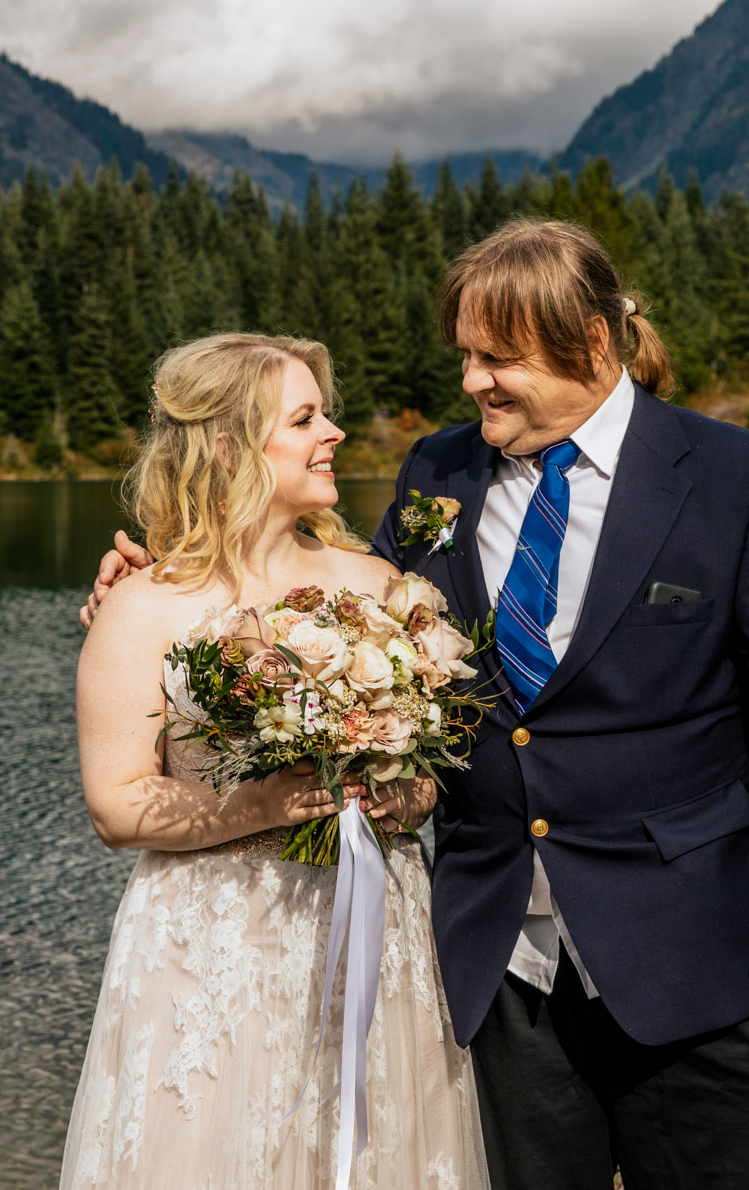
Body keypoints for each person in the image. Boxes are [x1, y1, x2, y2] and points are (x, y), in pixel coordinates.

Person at [86, 220, 749, 1189]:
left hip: (708, 975)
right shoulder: (440, 474)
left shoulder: (732, 479)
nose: (471, 381)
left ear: (592, 344)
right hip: (502, 990)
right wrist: (155, 585)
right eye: (464, 355)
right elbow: (335, 612)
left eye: (496, 358)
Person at [61, 333, 489, 1189]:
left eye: (324, 412)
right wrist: (268, 805)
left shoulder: (377, 586)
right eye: (305, 418)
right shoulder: (144, 606)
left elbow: (431, 772)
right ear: (228, 446)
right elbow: (114, 805)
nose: (333, 432)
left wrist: (401, 795)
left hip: (375, 929)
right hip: (211, 946)